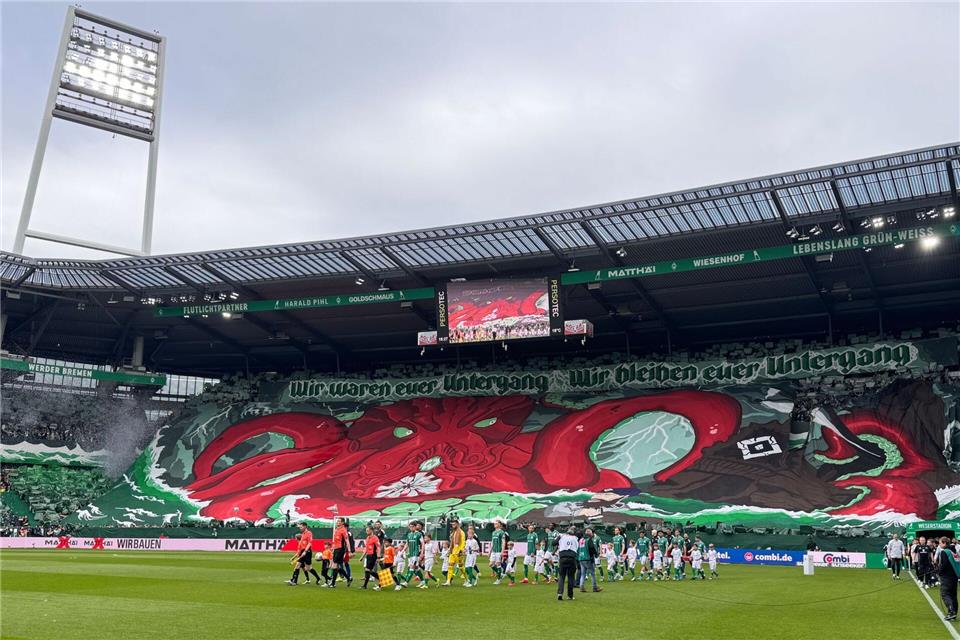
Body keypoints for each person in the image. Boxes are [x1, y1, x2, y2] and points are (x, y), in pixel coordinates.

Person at [934, 536, 959, 621]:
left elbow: (943, 565)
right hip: (954, 576)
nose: (939, 545)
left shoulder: (944, 552)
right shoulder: (953, 550)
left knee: (944, 594)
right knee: (953, 595)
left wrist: (938, 572)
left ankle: (951, 611)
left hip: (947, 577)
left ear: (944, 543)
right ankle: (954, 613)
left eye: (940, 543)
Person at [555, 526, 579, 601]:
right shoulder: (576, 538)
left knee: (561, 576)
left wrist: (559, 537)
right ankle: (570, 595)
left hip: (563, 557)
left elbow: (553, 543)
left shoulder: (562, 536)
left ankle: (560, 593)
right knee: (571, 577)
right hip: (572, 558)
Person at [328, 517, 351, 588]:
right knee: (337, 567)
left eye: (339, 521)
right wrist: (333, 548)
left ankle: (333, 583)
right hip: (336, 549)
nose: (337, 522)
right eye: (337, 521)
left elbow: (347, 540)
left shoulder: (343, 530)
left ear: (342, 523)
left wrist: (349, 551)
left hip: (340, 549)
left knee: (334, 566)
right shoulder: (336, 530)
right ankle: (348, 578)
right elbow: (335, 541)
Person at [578, 528, 601, 593]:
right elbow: (592, 548)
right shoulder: (589, 539)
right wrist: (596, 554)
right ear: (589, 533)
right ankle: (595, 587)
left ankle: (581, 587)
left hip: (581, 558)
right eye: (591, 532)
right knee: (592, 573)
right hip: (587, 558)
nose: (592, 534)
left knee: (583, 574)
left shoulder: (581, 540)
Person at [444, 518, 466, 586]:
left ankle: (467, 580)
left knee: (461, 567)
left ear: (458, 524)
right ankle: (448, 581)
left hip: (458, 552)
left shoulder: (461, 532)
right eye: (452, 524)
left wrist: (461, 550)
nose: (453, 525)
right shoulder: (454, 532)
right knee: (450, 566)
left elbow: (463, 542)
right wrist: (450, 550)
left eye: (454, 524)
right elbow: (452, 542)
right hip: (453, 552)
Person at [361, 525, 382, 590]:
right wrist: (362, 556)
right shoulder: (367, 538)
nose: (366, 532)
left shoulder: (375, 538)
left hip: (373, 555)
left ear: (371, 530)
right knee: (368, 570)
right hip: (368, 556)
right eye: (366, 530)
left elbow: (378, 547)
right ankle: (365, 585)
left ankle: (380, 579)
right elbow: (366, 548)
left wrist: (378, 557)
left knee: (367, 570)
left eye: (367, 530)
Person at [490, 520, 508, 584]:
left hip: (498, 551)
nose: (495, 524)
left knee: (498, 564)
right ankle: (500, 573)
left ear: (500, 525)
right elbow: (492, 542)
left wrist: (502, 552)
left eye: (496, 523)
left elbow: (503, 542)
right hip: (494, 551)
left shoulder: (502, 532)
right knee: (491, 564)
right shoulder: (493, 532)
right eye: (494, 523)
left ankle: (499, 579)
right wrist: (490, 551)